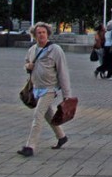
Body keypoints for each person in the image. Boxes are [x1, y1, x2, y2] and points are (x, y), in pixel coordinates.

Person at [17, 22, 72, 157]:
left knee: (38, 115)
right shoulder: (32, 50)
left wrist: (67, 95)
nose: (41, 35)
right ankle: (61, 136)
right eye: (38, 33)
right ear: (34, 35)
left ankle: (30, 146)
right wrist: (27, 67)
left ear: (47, 34)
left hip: (49, 88)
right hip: (36, 88)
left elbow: (63, 72)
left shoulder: (55, 50)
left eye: (43, 32)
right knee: (49, 115)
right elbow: (26, 63)